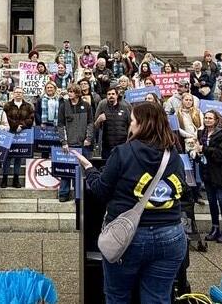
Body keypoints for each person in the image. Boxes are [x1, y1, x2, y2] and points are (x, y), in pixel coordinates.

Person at [70, 102, 187, 304]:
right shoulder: (173, 155)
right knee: (158, 298)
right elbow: (180, 189)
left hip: (129, 237)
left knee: (118, 296)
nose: (130, 126)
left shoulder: (122, 152)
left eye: (132, 121)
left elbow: (100, 191)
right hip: (171, 234)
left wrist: (88, 168)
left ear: (143, 124)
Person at [199, 109, 222, 243]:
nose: (207, 120)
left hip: (220, 173)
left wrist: (204, 150)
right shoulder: (202, 133)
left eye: (210, 118)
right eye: (206, 118)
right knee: (212, 202)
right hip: (207, 172)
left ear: (216, 120)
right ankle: (214, 227)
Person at [57, 83, 93, 203]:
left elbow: (90, 123)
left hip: (83, 144)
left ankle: (79, 195)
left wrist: (89, 138)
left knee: (81, 171)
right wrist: (64, 142)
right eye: (69, 91)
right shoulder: (63, 105)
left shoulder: (86, 105)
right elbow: (60, 125)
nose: (69, 93)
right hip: (69, 144)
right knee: (66, 170)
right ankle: (63, 193)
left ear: (77, 93)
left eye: (72, 91)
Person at [4, 87, 35, 188]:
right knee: (7, 156)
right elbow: (5, 118)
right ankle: (4, 178)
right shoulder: (7, 105)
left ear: (23, 94)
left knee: (18, 157)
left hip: (22, 134)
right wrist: (15, 126)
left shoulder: (28, 106)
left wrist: (21, 126)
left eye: (20, 92)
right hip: (9, 133)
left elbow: (31, 118)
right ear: (13, 93)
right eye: (16, 92)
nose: (18, 94)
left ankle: (16, 179)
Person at [95, 87, 132, 160]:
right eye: (109, 94)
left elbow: (131, 124)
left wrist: (129, 139)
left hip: (122, 144)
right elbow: (95, 126)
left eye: (113, 94)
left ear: (117, 95)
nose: (111, 96)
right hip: (107, 146)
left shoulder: (125, 107)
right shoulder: (102, 106)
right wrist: (99, 120)